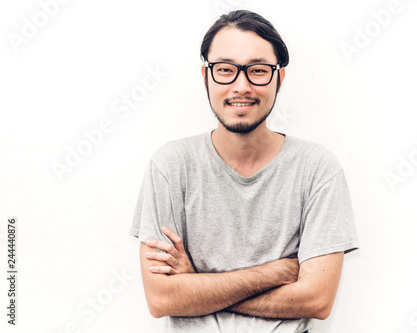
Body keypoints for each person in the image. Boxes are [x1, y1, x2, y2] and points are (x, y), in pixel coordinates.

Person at [130, 9, 359, 333]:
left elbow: (317, 300)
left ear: (278, 78)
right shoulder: (170, 166)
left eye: (257, 70)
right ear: (206, 76)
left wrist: (195, 285)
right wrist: (275, 274)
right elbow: (161, 299)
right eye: (225, 70)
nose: (241, 85)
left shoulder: (317, 168)